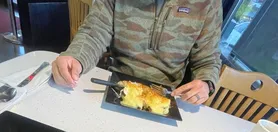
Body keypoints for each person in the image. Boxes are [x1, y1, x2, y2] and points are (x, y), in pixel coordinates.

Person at [52, 0, 222, 105]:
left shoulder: (209, 3)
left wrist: (206, 83)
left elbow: (208, 58)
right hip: (116, 84)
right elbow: (95, 30)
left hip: (167, 96)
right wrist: (76, 57)